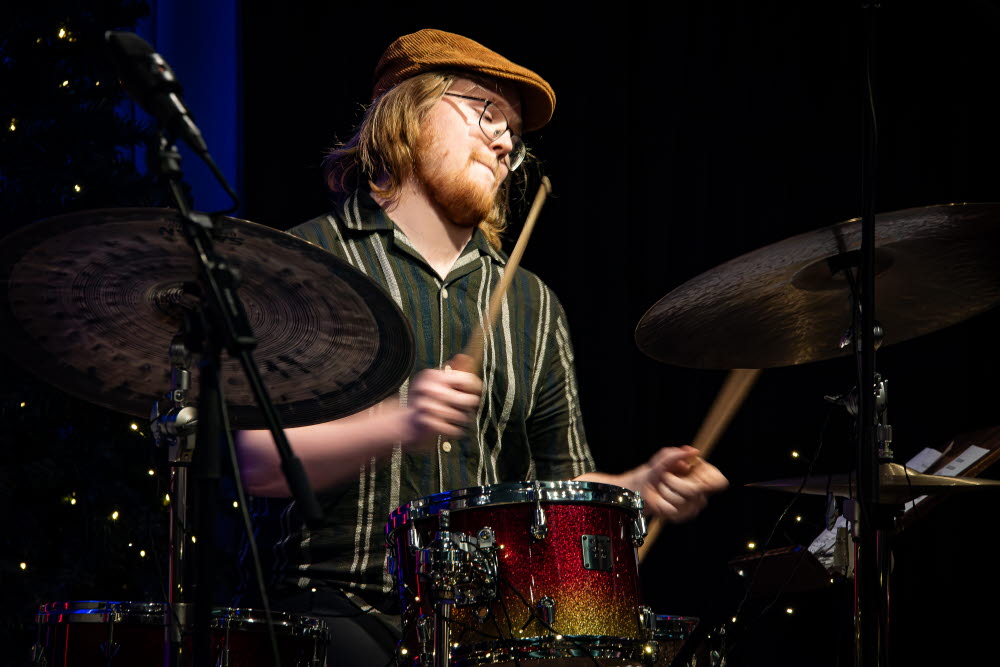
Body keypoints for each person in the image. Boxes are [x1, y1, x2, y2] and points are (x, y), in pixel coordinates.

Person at [236, 28, 728, 665]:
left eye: (514, 137)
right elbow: (259, 465)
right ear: (406, 113)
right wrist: (401, 422)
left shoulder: (533, 303)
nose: (503, 141)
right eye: (484, 112)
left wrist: (634, 487)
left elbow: (555, 487)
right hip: (330, 607)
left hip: (489, 625)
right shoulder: (308, 263)